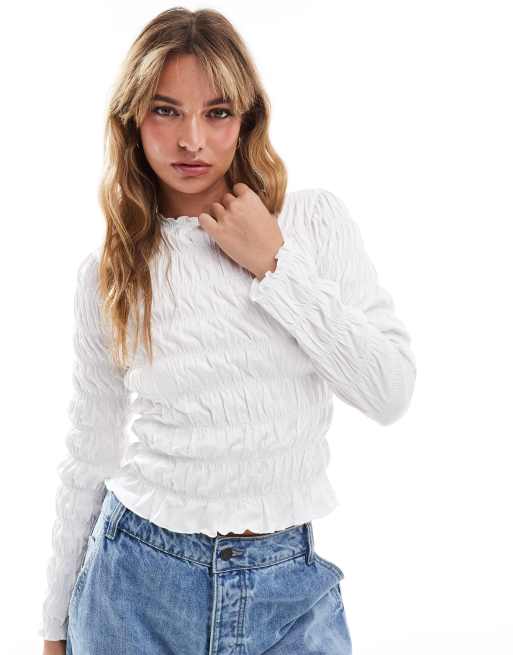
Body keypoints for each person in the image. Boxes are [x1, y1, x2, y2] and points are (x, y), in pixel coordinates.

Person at [39, 7, 416, 655]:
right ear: (132, 119)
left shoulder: (312, 224)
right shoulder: (110, 273)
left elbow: (389, 391)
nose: (191, 140)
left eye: (216, 112)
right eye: (165, 111)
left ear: (246, 119)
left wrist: (275, 264)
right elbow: (89, 454)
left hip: (289, 592)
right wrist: (54, 627)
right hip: (135, 586)